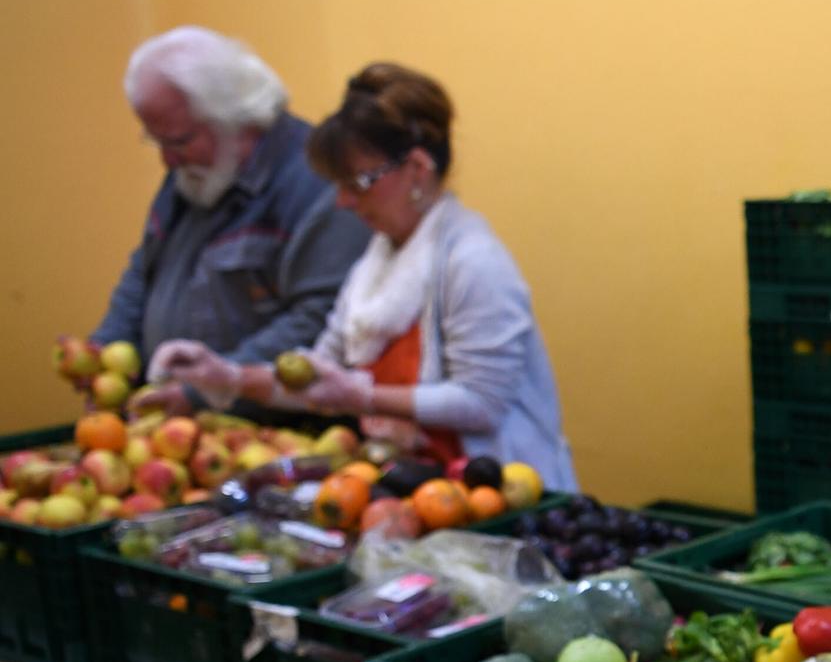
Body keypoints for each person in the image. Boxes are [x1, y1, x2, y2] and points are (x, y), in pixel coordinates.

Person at [152, 63, 577, 491]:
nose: (342, 201)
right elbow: (320, 375)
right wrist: (228, 377)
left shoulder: (472, 261)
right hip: (417, 491)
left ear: (417, 168)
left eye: (357, 182)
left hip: (499, 496)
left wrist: (362, 397)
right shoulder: (374, 264)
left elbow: (481, 403)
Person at [96, 26, 370, 417]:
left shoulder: (316, 184)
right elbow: (146, 271)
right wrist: (106, 349)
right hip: (176, 426)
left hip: (274, 430)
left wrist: (206, 389)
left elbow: (320, 319)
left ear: (237, 119)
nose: (167, 160)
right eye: (157, 141)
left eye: (179, 141)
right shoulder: (195, 171)